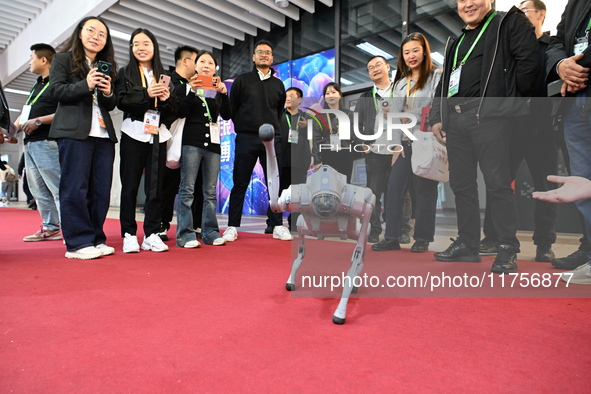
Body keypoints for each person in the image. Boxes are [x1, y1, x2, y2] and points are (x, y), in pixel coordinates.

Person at [429, 0, 540, 274]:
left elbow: (529, 64)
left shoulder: (507, 22)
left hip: (490, 118)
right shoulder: (455, 42)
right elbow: (444, 83)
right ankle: (467, 243)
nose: (468, 4)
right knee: (462, 186)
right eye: (462, 0)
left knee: (497, 184)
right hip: (456, 120)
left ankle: (506, 248)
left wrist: (506, 106)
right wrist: (436, 117)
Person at [479, 0, 559, 263]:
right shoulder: (508, 49)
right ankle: (492, 237)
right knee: (498, 181)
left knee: (545, 188)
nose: (520, 17)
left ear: (541, 15)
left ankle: (544, 244)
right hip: (509, 126)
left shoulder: (553, 49)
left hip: (542, 127)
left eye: (525, 11)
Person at [49, 16, 118, 260]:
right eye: (91, 31)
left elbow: (110, 104)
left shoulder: (107, 65)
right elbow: (55, 91)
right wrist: (85, 84)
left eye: (102, 34)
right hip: (73, 132)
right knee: (75, 187)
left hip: (102, 134)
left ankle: (95, 237)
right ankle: (77, 243)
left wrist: (109, 92)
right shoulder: (63, 59)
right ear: (80, 33)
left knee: (100, 190)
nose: (96, 37)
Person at [371, 33, 442, 253]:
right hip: (404, 142)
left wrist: (408, 113)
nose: (411, 56)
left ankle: (422, 238)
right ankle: (391, 236)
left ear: (424, 51)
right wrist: (395, 146)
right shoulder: (402, 82)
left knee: (424, 191)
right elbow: (393, 116)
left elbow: (435, 107)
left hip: (426, 139)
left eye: (415, 50)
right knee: (394, 188)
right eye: (406, 52)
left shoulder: (436, 76)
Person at [115, 28, 176, 253]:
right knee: (129, 186)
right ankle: (129, 233)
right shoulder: (125, 73)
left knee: (155, 187)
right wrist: (147, 94)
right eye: (136, 44)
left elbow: (173, 112)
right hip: (133, 133)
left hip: (157, 135)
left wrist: (168, 100)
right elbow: (121, 101)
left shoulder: (165, 75)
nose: (141, 48)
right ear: (131, 49)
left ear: (154, 47)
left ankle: (151, 233)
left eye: (146, 43)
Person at [223, 40, 290, 242]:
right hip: (246, 138)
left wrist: (273, 133)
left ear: (272, 58)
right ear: (253, 57)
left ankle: (277, 225)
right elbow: (233, 109)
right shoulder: (242, 80)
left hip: (271, 140)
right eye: (260, 52)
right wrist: (245, 127)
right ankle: (232, 226)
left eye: (267, 53)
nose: (264, 55)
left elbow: (278, 113)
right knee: (239, 182)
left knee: (274, 184)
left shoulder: (278, 85)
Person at [545, 0, 591, 284]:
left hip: (580, 81)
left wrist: (579, 66)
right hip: (576, 104)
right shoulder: (576, 3)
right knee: (583, 184)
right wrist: (563, 66)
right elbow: (557, 42)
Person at [175, 50, 230, 248]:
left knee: (210, 192)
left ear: (215, 68)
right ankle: (185, 234)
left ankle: (210, 232)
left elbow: (228, 114)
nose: (207, 65)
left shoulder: (216, 90)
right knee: (187, 189)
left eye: (211, 63)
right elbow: (180, 110)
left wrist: (224, 94)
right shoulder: (184, 88)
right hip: (191, 142)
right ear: (195, 66)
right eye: (202, 62)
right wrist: (191, 89)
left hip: (213, 146)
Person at [15, 43, 61, 242]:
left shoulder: (58, 84)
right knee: (38, 190)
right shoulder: (37, 85)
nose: (29, 63)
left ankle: (74, 230)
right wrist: (12, 133)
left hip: (47, 141)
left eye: (31, 58)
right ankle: (50, 228)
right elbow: (26, 112)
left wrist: (39, 121)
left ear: (44, 60)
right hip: (30, 143)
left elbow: (65, 113)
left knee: (58, 188)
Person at [159, 45, 204, 242]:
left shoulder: (200, 84)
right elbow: (169, 111)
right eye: (197, 61)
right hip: (171, 140)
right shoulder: (168, 82)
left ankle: (195, 224)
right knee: (168, 184)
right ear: (185, 61)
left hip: (194, 141)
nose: (200, 66)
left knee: (195, 184)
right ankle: (162, 224)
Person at [355, 56, 396, 244]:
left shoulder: (400, 90)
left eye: (378, 65)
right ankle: (374, 230)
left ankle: (397, 230)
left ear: (388, 66)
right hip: (375, 151)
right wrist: (363, 143)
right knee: (373, 193)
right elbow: (357, 124)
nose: (375, 69)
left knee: (397, 192)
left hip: (398, 148)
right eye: (370, 67)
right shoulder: (365, 97)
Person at [280, 87, 312, 230]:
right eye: (286, 95)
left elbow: (313, 137)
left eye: (292, 96)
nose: (288, 98)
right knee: (278, 192)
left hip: (300, 161)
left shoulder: (306, 117)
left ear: (299, 100)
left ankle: (294, 223)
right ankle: (273, 223)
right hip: (281, 160)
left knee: (298, 194)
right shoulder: (279, 115)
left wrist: (306, 127)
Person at [312, 82, 357, 179]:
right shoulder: (319, 117)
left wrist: (345, 132)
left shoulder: (350, 114)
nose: (330, 95)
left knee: (345, 183)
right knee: (329, 185)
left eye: (333, 92)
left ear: (340, 95)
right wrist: (316, 161)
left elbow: (355, 134)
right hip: (327, 154)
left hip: (345, 153)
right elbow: (316, 139)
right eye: (327, 93)